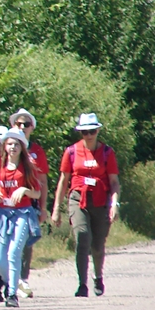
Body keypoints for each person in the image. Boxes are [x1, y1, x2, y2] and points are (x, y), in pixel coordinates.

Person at [50, 113, 120, 297]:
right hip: (77, 198)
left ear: (98, 131)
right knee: (82, 236)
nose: (89, 135)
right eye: (85, 132)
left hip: (100, 201)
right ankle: (82, 284)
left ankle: (98, 277)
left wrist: (114, 204)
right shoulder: (71, 152)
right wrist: (56, 208)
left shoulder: (107, 153)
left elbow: (114, 182)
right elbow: (63, 180)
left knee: (97, 245)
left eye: (92, 131)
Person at [0, 129, 41, 308]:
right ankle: (11, 283)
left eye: (16, 144)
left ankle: (12, 293)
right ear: (4, 146)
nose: (12, 147)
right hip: (1, 214)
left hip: (21, 213)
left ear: (22, 147)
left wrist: (25, 191)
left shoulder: (28, 166)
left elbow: (37, 192)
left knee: (14, 253)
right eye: (9, 143)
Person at [9, 108, 49, 299]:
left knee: (25, 241)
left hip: (29, 203)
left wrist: (43, 207)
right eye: (19, 124)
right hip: (6, 203)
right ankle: (7, 279)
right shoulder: (6, 147)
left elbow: (42, 181)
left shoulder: (37, 151)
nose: (22, 127)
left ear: (32, 128)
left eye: (26, 124)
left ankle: (23, 278)